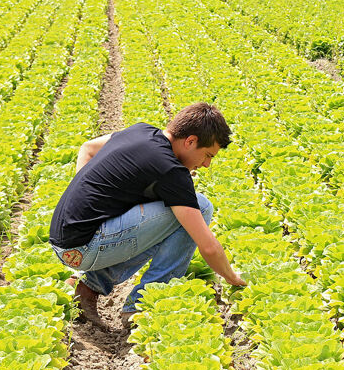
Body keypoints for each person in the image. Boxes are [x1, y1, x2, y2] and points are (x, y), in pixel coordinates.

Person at [49, 102, 246, 328]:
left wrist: (84, 194)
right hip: (84, 249)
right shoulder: (170, 170)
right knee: (200, 207)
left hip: (65, 241)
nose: (207, 164)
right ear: (190, 141)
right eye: (208, 155)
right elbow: (208, 246)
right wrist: (232, 278)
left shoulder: (140, 131)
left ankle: (88, 287)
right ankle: (142, 304)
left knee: (168, 214)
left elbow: (87, 148)